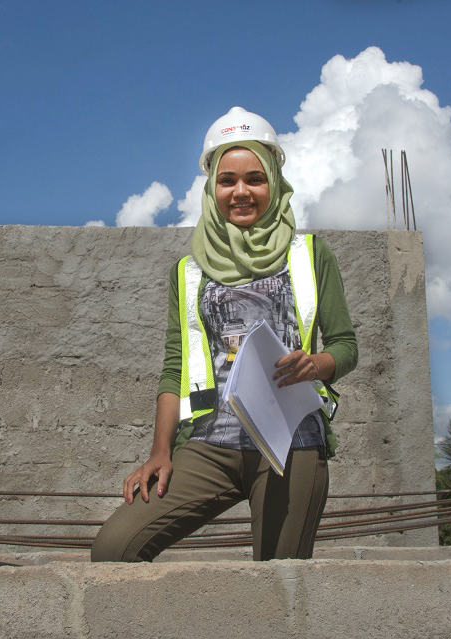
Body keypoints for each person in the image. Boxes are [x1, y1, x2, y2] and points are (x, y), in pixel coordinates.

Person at [91, 106, 357, 562]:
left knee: (280, 585)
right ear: (211, 188)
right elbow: (175, 368)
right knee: (114, 549)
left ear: (274, 182)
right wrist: (160, 451)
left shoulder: (312, 254)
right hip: (209, 444)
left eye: (254, 178)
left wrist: (317, 363)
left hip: (291, 443)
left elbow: (346, 347)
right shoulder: (188, 272)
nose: (240, 192)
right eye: (226, 180)